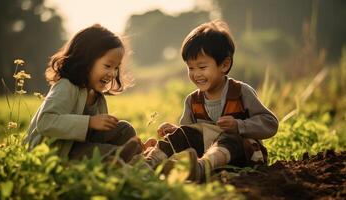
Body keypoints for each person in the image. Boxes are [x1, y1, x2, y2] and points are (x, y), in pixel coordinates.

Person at [144, 20, 279, 182]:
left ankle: (201, 167)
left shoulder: (240, 92)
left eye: (202, 67)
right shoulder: (193, 100)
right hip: (206, 153)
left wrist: (239, 126)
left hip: (242, 155)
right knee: (182, 134)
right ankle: (147, 163)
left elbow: (270, 123)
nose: (196, 74)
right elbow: (190, 133)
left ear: (224, 64)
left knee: (229, 137)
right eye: (191, 68)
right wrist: (176, 130)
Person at [24, 24, 142, 163]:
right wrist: (90, 122)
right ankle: (123, 158)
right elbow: (45, 122)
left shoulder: (97, 96)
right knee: (101, 152)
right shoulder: (67, 86)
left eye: (116, 67)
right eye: (108, 66)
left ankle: (131, 156)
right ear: (86, 61)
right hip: (55, 152)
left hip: (80, 145)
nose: (112, 73)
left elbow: (96, 135)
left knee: (124, 129)